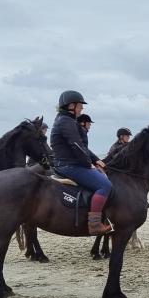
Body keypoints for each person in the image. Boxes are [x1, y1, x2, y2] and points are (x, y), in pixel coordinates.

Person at [51, 90, 113, 235]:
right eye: (80, 105)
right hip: (69, 165)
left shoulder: (65, 120)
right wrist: (89, 164)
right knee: (105, 185)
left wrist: (96, 159)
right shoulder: (66, 122)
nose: (82, 108)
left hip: (68, 163)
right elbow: (77, 146)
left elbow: (82, 147)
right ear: (71, 105)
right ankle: (95, 225)